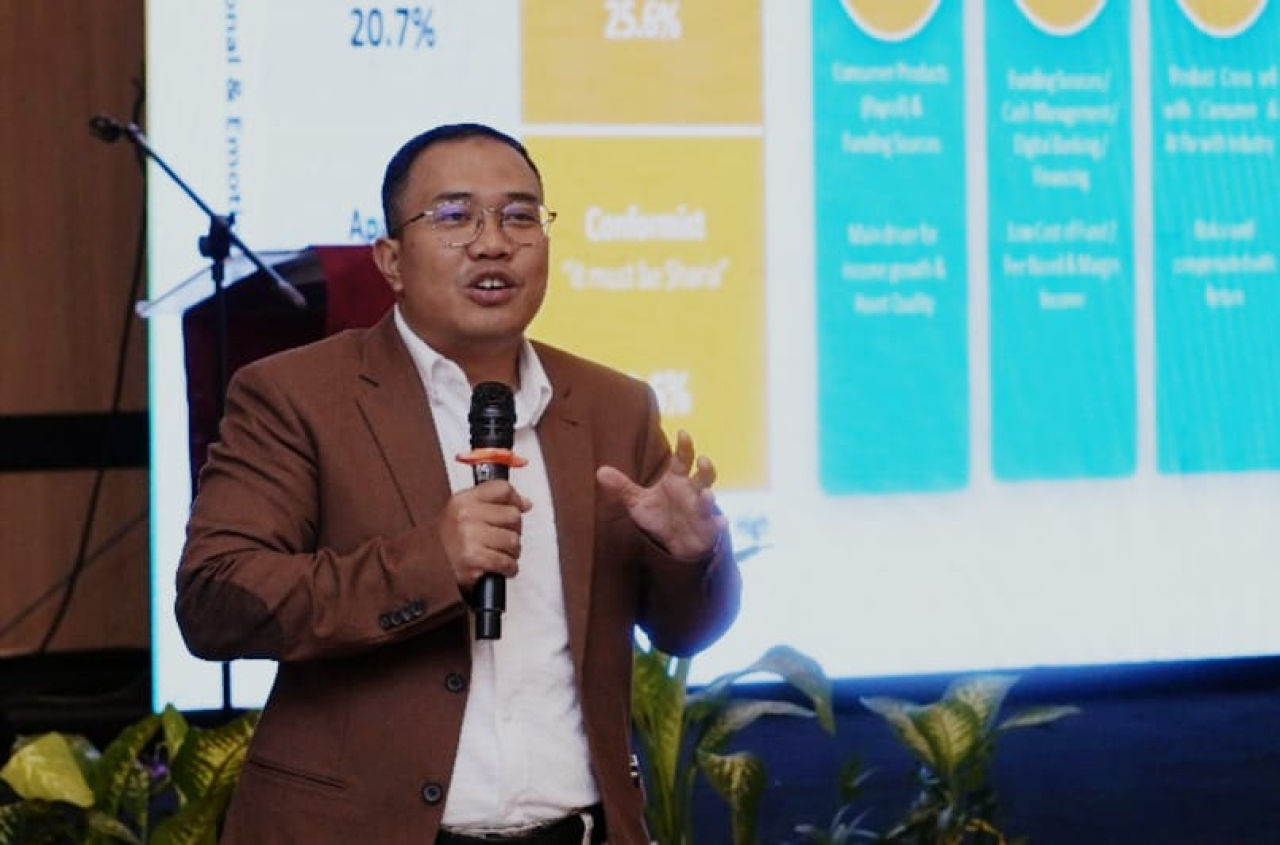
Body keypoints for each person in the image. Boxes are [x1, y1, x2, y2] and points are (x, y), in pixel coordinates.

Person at [174, 122, 741, 845]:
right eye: (454, 216)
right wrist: (430, 563)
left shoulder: (615, 406)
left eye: (520, 216)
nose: (493, 243)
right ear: (391, 259)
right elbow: (216, 602)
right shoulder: (297, 396)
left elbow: (685, 629)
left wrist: (691, 557)